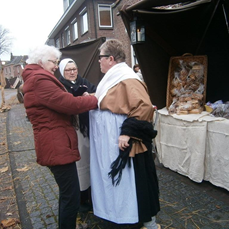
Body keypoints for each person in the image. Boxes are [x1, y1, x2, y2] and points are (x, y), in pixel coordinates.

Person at [21, 45, 98, 229]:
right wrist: (97, 99)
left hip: (56, 142)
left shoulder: (36, 78)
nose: (56, 66)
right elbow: (69, 104)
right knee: (70, 196)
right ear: (40, 62)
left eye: (56, 62)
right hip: (56, 144)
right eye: (53, 62)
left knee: (68, 194)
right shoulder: (40, 80)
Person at [89, 39, 160, 229]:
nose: (99, 61)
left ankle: (132, 216)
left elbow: (144, 107)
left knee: (132, 181)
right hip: (108, 141)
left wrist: (127, 132)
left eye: (101, 57)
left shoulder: (127, 78)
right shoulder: (114, 77)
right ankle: (115, 213)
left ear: (110, 59)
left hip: (123, 143)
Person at [58, 58, 96, 212]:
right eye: (68, 70)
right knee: (79, 165)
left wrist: (90, 94)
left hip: (87, 129)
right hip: (73, 130)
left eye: (74, 69)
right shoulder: (60, 87)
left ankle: (92, 195)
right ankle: (80, 199)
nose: (72, 72)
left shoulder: (84, 82)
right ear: (62, 72)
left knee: (90, 161)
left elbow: (97, 93)